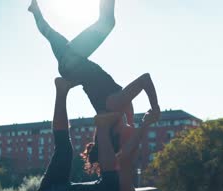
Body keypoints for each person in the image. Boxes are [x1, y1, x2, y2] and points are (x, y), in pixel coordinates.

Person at [33, 78, 170, 191]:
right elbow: (124, 159)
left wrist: (145, 124)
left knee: (112, 182)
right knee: (64, 148)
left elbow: (124, 160)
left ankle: (103, 126)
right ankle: (61, 91)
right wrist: (141, 124)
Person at [28, 0, 160, 126]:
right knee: (50, 33)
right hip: (70, 66)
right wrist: (132, 123)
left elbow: (145, 79)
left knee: (107, 22)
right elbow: (127, 108)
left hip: (74, 62)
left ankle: (35, 10)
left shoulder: (115, 105)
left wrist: (155, 109)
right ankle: (35, 10)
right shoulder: (110, 109)